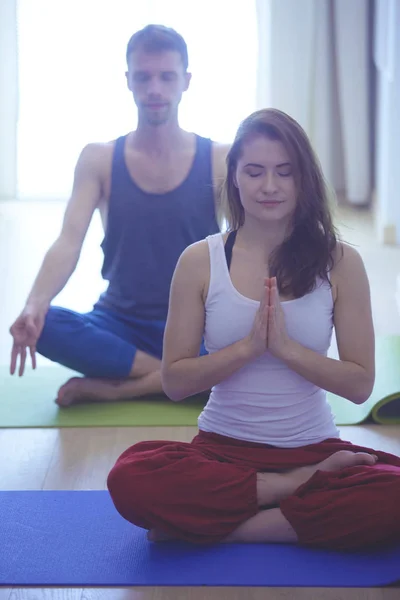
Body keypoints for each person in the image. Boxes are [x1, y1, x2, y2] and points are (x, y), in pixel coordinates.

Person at [107, 108, 400, 550]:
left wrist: (286, 349)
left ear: (304, 179)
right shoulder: (199, 261)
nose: (269, 186)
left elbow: (360, 385)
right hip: (222, 451)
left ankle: (237, 527)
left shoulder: (340, 262)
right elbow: (175, 382)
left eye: (285, 172)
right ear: (235, 177)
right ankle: (287, 495)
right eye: (255, 171)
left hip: (313, 448)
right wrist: (246, 349)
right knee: (130, 476)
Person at [9, 24, 229, 407]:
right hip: (121, 323)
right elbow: (68, 240)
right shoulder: (98, 159)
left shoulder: (219, 159)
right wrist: (34, 304)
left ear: (186, 81)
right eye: (143, 77)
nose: (155, 89)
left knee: (260, 348)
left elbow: (247, 247)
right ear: (128, 80)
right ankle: (181, 378)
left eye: (167, 76)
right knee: (48, 325)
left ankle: (125, 386)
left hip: (198, 328)